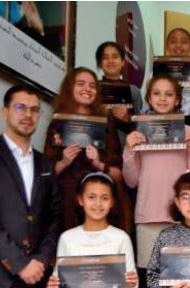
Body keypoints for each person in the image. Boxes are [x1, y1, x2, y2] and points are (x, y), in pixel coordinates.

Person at [123, 73, 190, 288]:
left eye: (168, 94)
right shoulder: (140, 132)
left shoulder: (185, 131)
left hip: (179, 221)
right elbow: (131, 180)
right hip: (147, 220)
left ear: (176, 99)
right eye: (156, 93)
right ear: (148, 98)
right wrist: (129, 151)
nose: (161, 98)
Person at [0, 84, 60, 288]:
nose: (28, 115)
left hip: (34, 279)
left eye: (35, 110)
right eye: (21, 107)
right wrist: (19, 264)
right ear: (5, 111)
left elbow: (54, 217)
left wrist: (42, 260)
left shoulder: (45, 164)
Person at [46, 172, 138, 288]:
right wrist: (53, 287)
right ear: (80, 200)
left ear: (112, 202)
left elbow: (133, 285)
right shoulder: (68, 238)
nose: (98, 204)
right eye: (91, 197)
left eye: (104, 198)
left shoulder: (121, 237)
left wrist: (130, 282)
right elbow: (58, 283)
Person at [43, 67, 128, 232]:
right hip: (65, 205)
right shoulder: (58, 122)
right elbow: (45, 174)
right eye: (80, 84)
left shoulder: (105, 121)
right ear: (70, 88)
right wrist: (63, 162)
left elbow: (119, 174)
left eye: (92, 86)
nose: (87, 89)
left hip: (100, 205)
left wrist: (99, 164)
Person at [95, 41, 143, 128]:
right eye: (105, 58)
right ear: (100, 64)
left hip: (125, 139)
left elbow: (139, 124)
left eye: (115, 57)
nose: (110, 61)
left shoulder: (133, 90)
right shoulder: (93, 87)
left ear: (123, 62)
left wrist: (127, 118)